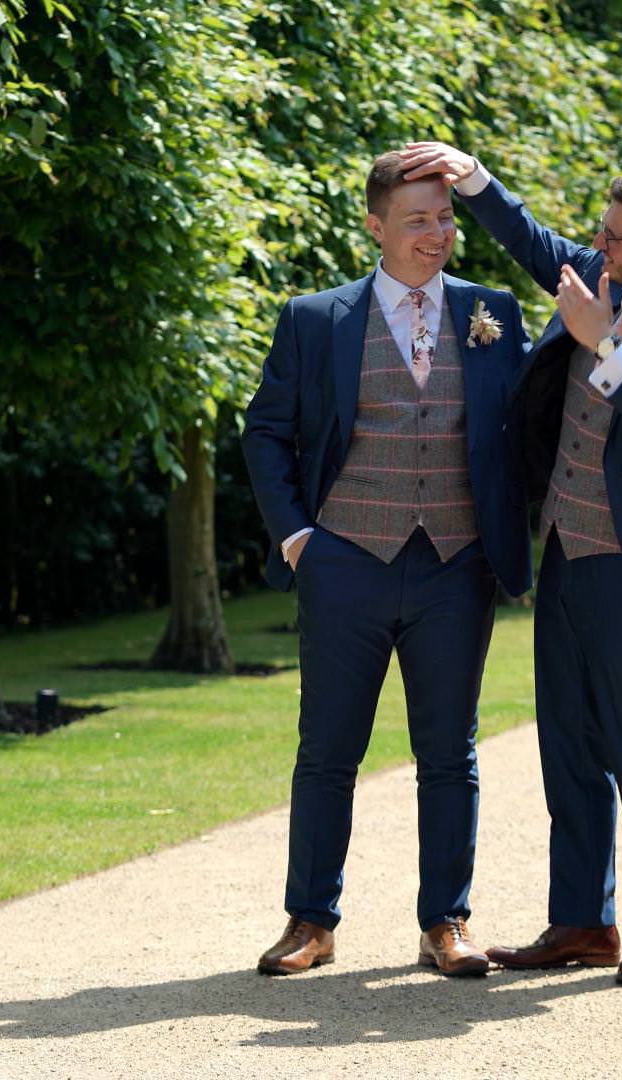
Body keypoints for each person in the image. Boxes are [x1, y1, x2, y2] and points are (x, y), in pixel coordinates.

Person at [401, 141, 622, 985]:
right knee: (568, 744)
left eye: (615, 235)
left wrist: (610, 349)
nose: (597, 243)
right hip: (563, 550)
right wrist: (471, 176)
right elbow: (529, 239)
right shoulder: (600, 272)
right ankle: (583, 924)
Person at [240, 150, 532, 977]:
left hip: (454, 563)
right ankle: (310, 921)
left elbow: (530, 425)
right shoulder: (315, 318)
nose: (437, 234)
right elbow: (266, 431)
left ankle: (446, 922)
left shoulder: (495, 314)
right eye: (418, 219)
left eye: (445, 217)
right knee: (327, 750)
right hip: (346, 563)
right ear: (375, 225)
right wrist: (300, 538)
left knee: (450, 751)